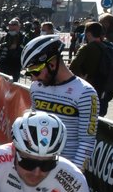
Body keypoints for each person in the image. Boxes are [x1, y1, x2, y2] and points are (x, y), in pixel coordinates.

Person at [24, 34, 98, 169]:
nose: (33, 78)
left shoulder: (85, 93)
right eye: (29, 73)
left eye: (35, 71)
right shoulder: (36, 88)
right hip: (37, 167)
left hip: (66, 168)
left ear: (52, 64)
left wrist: (73, 174)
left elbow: (86, 142)